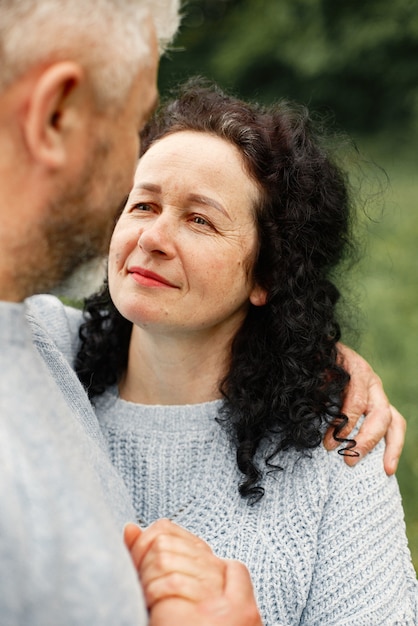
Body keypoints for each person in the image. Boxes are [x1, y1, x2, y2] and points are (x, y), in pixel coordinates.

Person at [28, 79, 417, 624]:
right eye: (143, 204)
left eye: (199, 219)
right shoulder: (33, 353)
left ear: (268, 274)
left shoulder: (335, 447)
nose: (153, 238)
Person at [0, 2, 265, 624]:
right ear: (54, 115)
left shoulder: (37, 338)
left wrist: (316, 356)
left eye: (199, 219)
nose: (147, 230)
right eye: (135, 124)